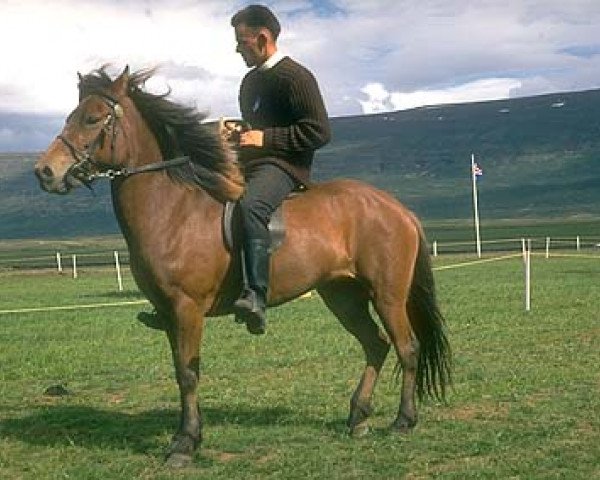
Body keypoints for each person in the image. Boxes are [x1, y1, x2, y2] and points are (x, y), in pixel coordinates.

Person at [228, 4, 331, 335]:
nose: (237, 48)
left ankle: (256, 295)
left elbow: (318, 132)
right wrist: (238, 135)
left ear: (262, 38)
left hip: (285, 166)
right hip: (252, 162)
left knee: (252, 206)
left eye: (241, 41)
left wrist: (264, 138)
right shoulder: (248, 83)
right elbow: (254, 130)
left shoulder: (296, 77)